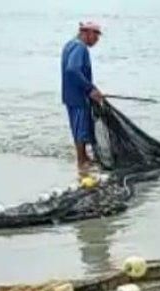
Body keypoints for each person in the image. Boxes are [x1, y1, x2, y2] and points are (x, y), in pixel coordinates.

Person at [61, 21, 105, 176]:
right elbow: (72, 69)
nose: (97, 40)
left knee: (78, 126)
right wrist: (90, 88)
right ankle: (81, 161)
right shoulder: (80, 47)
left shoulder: (70, 44)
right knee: (81, 128)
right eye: (96, 36)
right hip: (78, 95)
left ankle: (84, 157)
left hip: (70, 94)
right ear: (88, 33)